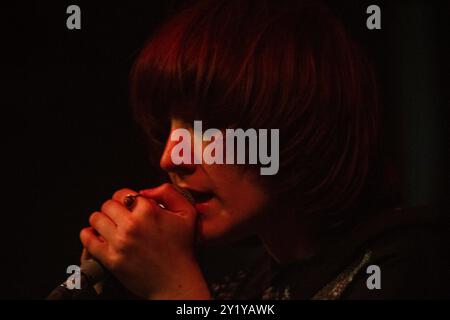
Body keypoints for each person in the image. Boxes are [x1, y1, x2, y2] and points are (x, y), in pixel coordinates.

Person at [78, 0, 450, 299]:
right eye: (167, 131)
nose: (170, 157)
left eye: (204, 127)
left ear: (296, 125)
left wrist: (172, 290)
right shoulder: (249, 288)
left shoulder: (414, 266)